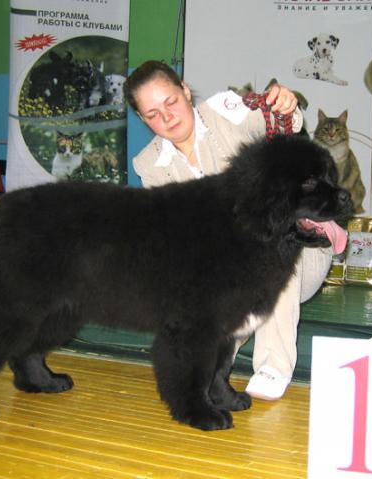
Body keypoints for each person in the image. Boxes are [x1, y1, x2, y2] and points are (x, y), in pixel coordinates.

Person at [124, 60, 333, 400]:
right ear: (143, 119)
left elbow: (282, 123)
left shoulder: (227, 111)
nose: (166, 117)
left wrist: (285, 104)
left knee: (272, 244)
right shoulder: (149, 166)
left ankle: (272, 366)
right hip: (232, 267)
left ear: (186, 91)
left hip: (300, 253)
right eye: (152, 114)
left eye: (171, 102)